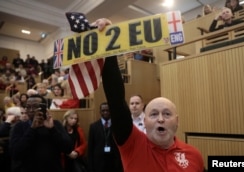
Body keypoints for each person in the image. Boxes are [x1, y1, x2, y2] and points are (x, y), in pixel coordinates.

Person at [97, 17, 204, 172]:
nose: (161, 119)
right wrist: (108, 41)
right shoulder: (132, 144)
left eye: (167, 114)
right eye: (153, 114)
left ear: (177, 121)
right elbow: (116, 100)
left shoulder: (194, 155)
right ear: (145, 121)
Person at [9, 94, 72, 172]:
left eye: (35, 106)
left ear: (44, 108)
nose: (31, 110)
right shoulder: (20, 126)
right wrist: (32, 129)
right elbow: (15, 154)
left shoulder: (55, 124)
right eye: (28, 107)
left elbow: (68, 148)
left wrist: (52, 129)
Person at [88, 102, 123, 172]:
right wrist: (90, 167)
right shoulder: (93, 127)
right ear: (100, 112)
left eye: (107, 110)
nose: (105, 112)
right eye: (103, 111)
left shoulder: (117, 125)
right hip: (98, 163)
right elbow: (90, 148)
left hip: (114, 162)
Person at [0, 106, 21, 172]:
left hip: (13, 155)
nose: (6, 116)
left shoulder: (18, 125)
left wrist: (8, 121)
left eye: (9, 115)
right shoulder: (7, 124)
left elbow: (1, 132)